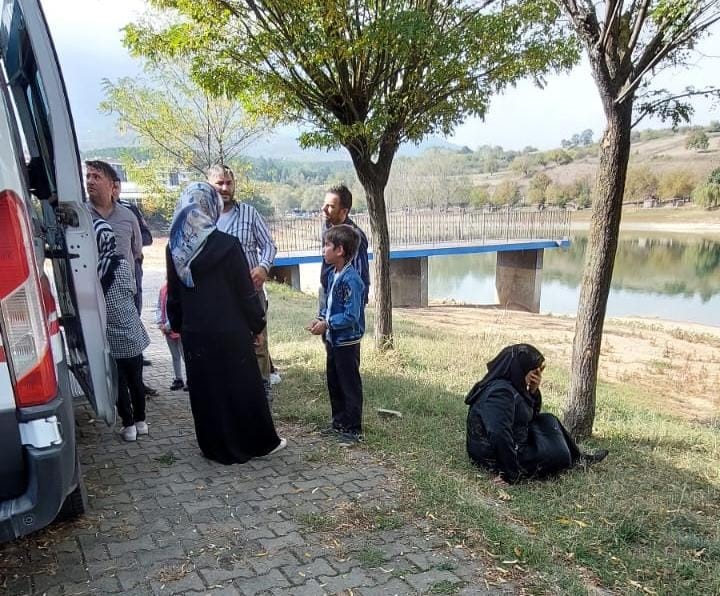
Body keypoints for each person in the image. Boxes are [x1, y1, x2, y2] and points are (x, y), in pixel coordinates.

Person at [166, 181, 286, 464]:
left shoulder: (176, 248)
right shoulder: (228, 245)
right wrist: (256, 326)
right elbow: (245, 292)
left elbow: (174, 295)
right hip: (231, 331)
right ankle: (257, 444)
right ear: (210, 207)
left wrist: (179, 325)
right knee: (242, 388)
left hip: (196, 333)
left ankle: (214, 446)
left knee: (208, 392)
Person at [465, 344, 608, 485]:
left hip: (514, 438)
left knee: (549, 420)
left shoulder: (511, 386)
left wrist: (533, 391)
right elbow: (498, 434)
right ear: (520, 369)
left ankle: (579, 458)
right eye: (534, 371)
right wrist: (510, 473)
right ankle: (569, 458)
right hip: (493, 456)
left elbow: (531, 415)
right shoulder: (500, 393)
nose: (536, 376)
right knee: (560, 456)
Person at [86, 159, 157, 396]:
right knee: (101, 341)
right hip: (92, 293)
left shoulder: (128, 215)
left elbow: (137, 250)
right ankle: (110, 390)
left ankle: (135, 385)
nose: (90, 181)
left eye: (97, 177)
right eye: (88, 177)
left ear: (113, 185)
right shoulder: (80, 216)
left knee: (130, 340)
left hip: (124, 291)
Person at [207, 164, 277, 401]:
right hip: (218, 298)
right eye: (219, 183)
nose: (225, 188)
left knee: (258, 344)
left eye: (229, 183)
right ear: (210, 185)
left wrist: (263, 267)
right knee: (227, 346)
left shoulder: (249, 213)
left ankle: (261, 394)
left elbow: (269, 245)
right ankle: (233, 394)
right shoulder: (202, 218)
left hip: (250, 293)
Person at [308, 224, 366, 446]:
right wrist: (321, 318)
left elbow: (351, 315)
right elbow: (330, 306)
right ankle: (338, 422)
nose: (323, 250)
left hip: (347, 342)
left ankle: (353, 429)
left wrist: (328, 324)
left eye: (327, 246)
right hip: (333, 341)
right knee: (334, 381)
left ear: (340, 250)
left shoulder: (352, 279)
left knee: (349, 384)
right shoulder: (333, 274)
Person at [93, 219, 150, 442]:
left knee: (120, 384)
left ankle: (128, 427)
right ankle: (141, 422)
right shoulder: (124, 265)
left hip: (112, 336)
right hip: (132, 331)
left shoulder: (94, 272)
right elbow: (133, 290)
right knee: (136, 380)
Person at [320, 184, 370, 306]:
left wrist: (356, 305)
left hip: (345, 300)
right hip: (327, 291)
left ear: (344, 211)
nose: (323, 209)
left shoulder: (355, 236)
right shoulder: (327, 226)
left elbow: (361, 276)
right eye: (324, 204)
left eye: (330, 206)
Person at [156, 280, 186, 391]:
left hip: (177, 328)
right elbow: (159, 306)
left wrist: (168, 325)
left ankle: (189, 379)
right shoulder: (163, 289)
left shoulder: (179, 290)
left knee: (184, 355)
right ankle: (178, 378)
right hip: (167, 329)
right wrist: (160, 323)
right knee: (175, 356)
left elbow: (179, 311)